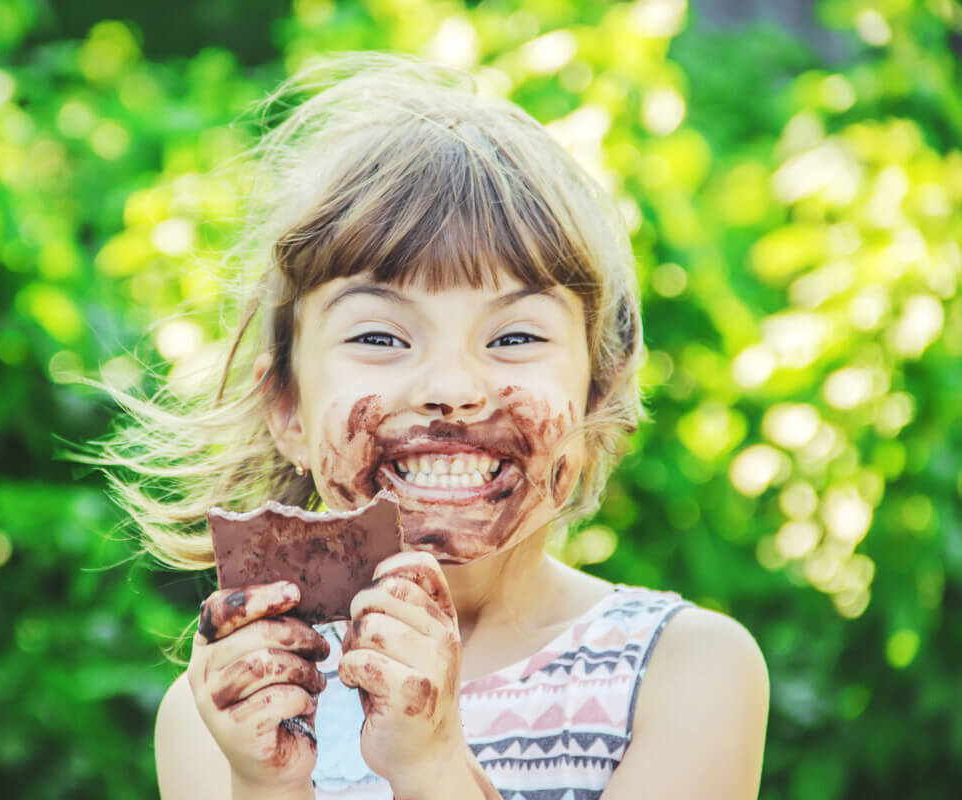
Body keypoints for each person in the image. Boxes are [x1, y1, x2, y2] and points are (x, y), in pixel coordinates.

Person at [96, 53, 768, 799]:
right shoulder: (217, 720)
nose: (452, 389)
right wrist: (267, 786)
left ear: (593, 396)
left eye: (514, 337)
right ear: (287, 407)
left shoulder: (684, 669)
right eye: (380, 338)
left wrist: (431, 765)